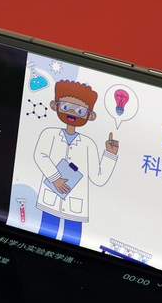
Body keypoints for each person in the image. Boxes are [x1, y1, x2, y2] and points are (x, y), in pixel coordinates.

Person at [33, 80, 120, 245]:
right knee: (42, 240)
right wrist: (55, 178)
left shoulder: (88, 144)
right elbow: (40, 156)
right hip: (50, 198)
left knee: (74, 244)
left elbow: (98, 178)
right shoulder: (49, 134)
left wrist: (110, 154)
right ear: (55, 106)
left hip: (75, 206)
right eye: (66, 107)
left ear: (90, 116)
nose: (72, 113)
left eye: (80, 110)